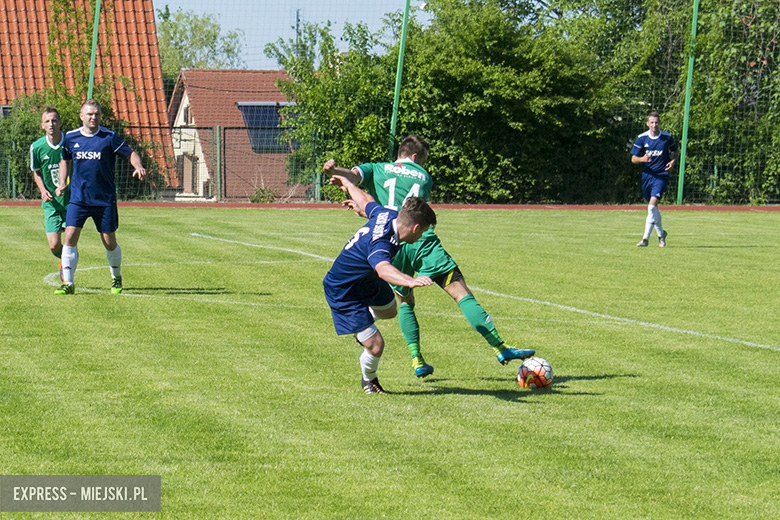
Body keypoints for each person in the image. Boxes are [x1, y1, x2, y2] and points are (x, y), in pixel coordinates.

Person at [323, 135, 534, 379]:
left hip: (392, 242)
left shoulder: (377, 168)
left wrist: (334, 170)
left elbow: (354, 178)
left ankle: (417, 360)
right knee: (460, 293)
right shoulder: (424, 176)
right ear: (415, 158)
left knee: (405, 303)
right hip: (420, 238)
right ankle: (501, 348)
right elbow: (409, 211)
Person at [324, 175, 437, 394]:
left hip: (365, 281)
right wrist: (410, 281)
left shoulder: (388, 215)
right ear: (415, 228)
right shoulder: (381, 244)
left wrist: (348, 185)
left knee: (389, 310)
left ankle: (362, 325)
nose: (422, 235)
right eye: (423, 231)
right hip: (344, 291)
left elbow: (366, 201)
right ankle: (369, 381)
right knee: (376, 345)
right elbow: (383, 269)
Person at [54, 99, 146, 295]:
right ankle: (68, 284)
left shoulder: (109, 137)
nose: (93, 117)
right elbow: (65, 161)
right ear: (82, 116)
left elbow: (131, 154)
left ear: (100, 116)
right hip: (79, 198)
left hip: (104, 199)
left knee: (109, 241)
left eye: (96, 114)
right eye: (89, 114)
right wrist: (62, 182)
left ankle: (116, 278)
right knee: (70, 236)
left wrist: (137, 166)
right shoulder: (70, 138)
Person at [30, 106, 68, 283]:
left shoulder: (70, 142)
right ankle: (65, 260)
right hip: (51, 203)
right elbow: (36, 171)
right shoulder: (37, 147)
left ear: (60, 122)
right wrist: (43, 190)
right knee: (54, 246)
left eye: (54, 120)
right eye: (47, 121)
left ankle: (68, 272)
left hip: (71, 201)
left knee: (69, 242)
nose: (51, 124)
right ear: (42, 125)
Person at [631, 112, 678, 247]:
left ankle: (645, 239)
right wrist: (642, 159)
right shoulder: (642, 138)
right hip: (647, 176)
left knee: (651, 206)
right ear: (647, 124)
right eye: (651, 122)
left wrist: (673, 161)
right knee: (653, 208)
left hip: (661, 175)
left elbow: (676, 150)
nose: (654, 125)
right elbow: (633, 158)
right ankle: (661, 233)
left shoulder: (667, 137)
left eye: (656, 122)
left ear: (660, 123)